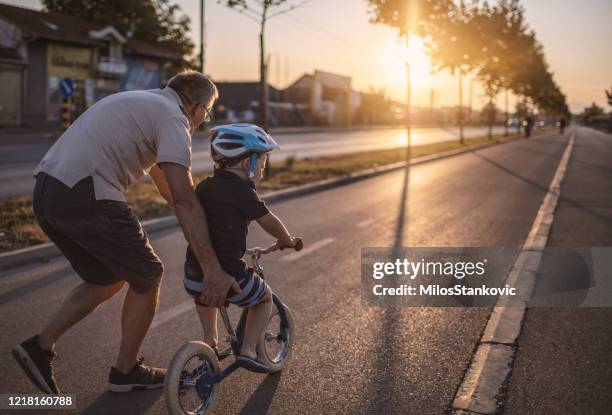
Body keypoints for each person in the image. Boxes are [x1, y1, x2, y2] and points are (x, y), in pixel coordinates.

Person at [12, 70, 239, 394]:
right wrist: (212, 269)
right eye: (207, 113)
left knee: (108, 277)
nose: (202, 122)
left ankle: (40, 346)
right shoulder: (173, 119)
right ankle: (125, 370)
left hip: (48, 192)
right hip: (86, 191)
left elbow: (174, 193)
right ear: (196, 107)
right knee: (147, 274)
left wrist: (204, 221)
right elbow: (186, 202)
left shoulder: (142, 103)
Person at [183, 124, 299, 372]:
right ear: (248, 163)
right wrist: (286, 239)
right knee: (263, 297)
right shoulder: (242, 190)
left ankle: (208, 340)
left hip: (193, 273)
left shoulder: (204, 186)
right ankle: (247, 350)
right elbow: (269, 221)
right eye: (262, 163)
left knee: (204, 297)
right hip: (229, 275)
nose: (263, 169)